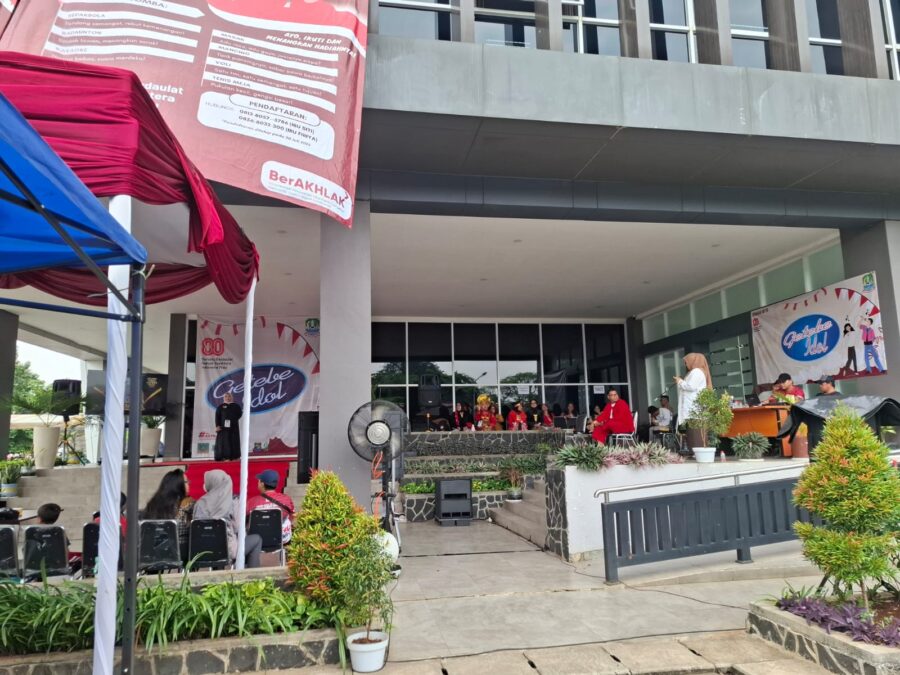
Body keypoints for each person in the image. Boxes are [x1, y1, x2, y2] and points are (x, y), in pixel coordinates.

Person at [194, 470, 262, 568]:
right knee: (257, 539)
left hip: (203, 549)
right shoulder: (233, 501)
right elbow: (239, 527)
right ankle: (252, 575)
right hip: (227, 550)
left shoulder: (199, 503)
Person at [142, 469, 193, 561]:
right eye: (186, 482)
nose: (189, 484)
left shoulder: (153, 504)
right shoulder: (186, 504)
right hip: (180, 552)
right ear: (178, 485)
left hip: (155, 552)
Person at [246, 469, 295, 545]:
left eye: (259, 481)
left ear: (262, 484)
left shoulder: (251, 502)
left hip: (258, 541)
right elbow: (292, 516)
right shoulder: (286, 499)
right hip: (281, 539)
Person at [675, 353, 713, 450]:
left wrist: (680, 381)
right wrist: (681, 381)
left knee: (695, 435)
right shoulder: (694, 372)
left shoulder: (697, 372)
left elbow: (691, 386)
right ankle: (694, 453)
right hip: (692, 409)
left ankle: (697, 453)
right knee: (692, 434)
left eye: (686, 362)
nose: (686, 365)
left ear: (693, 361)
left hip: (694, 409)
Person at [214, 392, 242, 461]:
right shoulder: (220, 407)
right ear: (224, 398)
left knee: (234, 441)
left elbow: (239, 414)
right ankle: (226, 457)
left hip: (234, 427)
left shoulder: (236, 406)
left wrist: (233, 420)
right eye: (226, 396)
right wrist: (217, 426)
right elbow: (217, 417)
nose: (228, 398)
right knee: (225, 442)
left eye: (229, 396)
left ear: (232, 397)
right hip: (223, 428)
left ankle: (235, 456)